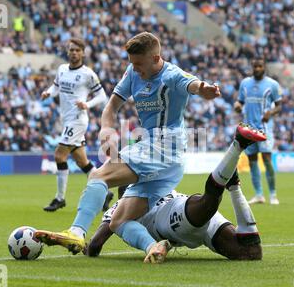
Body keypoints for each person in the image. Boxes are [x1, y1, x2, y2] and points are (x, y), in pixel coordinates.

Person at [34, 32, 221, 263]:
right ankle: (154, 246)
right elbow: (111, 106)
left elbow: (192, 84)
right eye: (132, 63)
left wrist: (203, 89)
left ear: (156, 58)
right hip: (163, 161)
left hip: (164, 146)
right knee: (118, 221)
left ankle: (76, 232)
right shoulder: (133, 71)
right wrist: (106, 130)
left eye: (139, 63)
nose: (135, 69)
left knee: (98, 175)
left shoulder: (172, 74)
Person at [84, 123, 265, 262]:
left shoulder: (117, 209)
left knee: (207, 204)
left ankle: (237, 145)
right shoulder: (156, 184)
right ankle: (233, 186)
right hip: (183, 210)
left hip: (170, 219)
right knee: (251, 252)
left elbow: (95, 245)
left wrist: (85, 247)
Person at [41, 38, 112, 212]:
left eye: (77, 50)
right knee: (82, 162)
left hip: (78, 120)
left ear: (83, 53)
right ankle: (105, 191)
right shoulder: (62, 69)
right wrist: (48, 93)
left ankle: (60, 198)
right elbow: (56, 86)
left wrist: (87, 104)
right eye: (71, 50)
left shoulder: (88, 74)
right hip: (66, 119)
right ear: (68, 52)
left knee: (59, 156)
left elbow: (102, 96)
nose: (74, 53)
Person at [234, 56, 282, 205]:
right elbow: (240, 101)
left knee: (267, 160)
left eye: (260, 66)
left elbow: (279, 105)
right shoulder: (245, 83)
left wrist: (271, 112)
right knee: (252, 161)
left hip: (264, 128)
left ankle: (273, 194)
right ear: (252, 67)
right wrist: (237, 106)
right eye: (255, 66)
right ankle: (259, 194)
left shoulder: (272, 85)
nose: (257, 69)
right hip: (248, 129)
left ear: (264, 67)